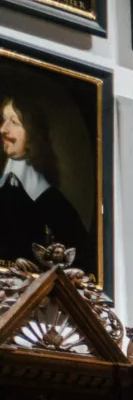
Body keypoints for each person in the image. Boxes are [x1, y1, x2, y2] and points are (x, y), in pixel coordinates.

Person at [0, 95, 94, 271]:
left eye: (14, 122)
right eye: (4, 120)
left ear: (32, 132)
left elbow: (82, 257)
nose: (3, 129)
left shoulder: (54, 203)